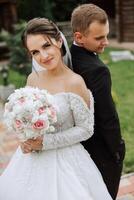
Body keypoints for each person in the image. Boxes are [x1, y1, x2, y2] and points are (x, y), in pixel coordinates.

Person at [0, 17, 112, 200]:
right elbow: (27, 117)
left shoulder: (75, 82)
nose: (43, 56)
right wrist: (25, 138)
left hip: (66, 162)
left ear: (59, 41)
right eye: (35, 52)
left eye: (46, 46)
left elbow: (86, 129)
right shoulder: (32, 79)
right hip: (31, 160)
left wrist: (46, 143)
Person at [70, 4, 125, 200]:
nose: (106, 42)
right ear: (79, 37)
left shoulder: (66, 58)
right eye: (99, 38)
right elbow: (106, 115)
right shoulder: (97, 69)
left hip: (76, 147)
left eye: (106, 35)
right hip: (101, 149)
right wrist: (117, 149)